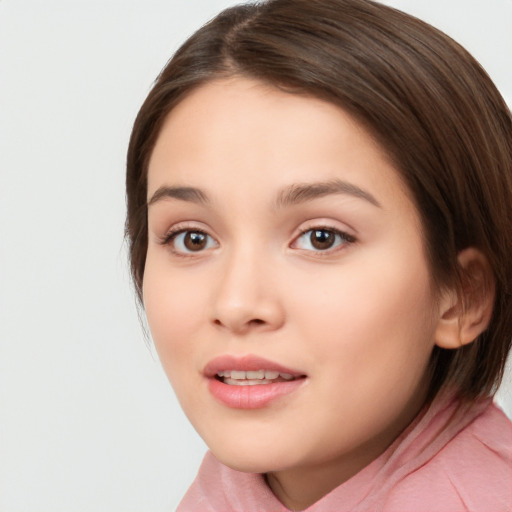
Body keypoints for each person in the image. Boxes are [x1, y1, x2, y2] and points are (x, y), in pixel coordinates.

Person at [125, 0, 512, 510]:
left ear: (461, 296)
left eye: (321, 238)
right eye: (192, 238)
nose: (238, 304)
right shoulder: (229, 492)